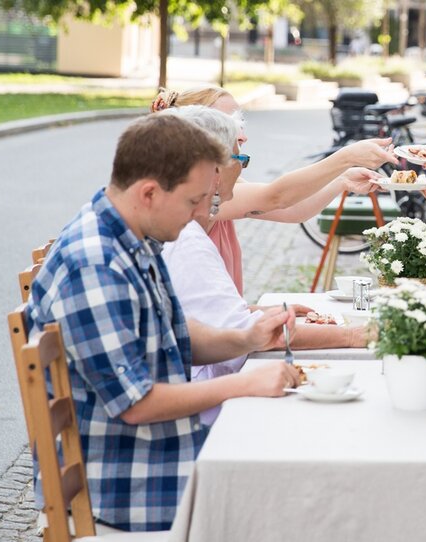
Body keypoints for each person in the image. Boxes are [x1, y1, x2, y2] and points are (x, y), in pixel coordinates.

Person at [25, 113, 301, 531]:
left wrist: (245, 338)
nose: (198, 216)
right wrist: (244, 383)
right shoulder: (95, 264)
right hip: (131, 488)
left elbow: (172, 336)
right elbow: (136, 405)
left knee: (294, 468)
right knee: (296, 500)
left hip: (157, 459)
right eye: (193, 201)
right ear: (150, 192)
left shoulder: (134, 237)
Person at [159, 106, 372, 425]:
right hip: (201, 418)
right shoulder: (185, 238)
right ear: (212, 169)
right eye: (240, 156)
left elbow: (197, 321)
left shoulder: (179, 227)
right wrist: (355, 336)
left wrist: (257, 316)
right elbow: (279, 198)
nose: (244, 162)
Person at [152, 86, 396, 294]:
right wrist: (346, 157)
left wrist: (342, 181)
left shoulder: (222, 187)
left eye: (241, 121)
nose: (243, 135)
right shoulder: (196, 195)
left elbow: (293, 211)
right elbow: (276, 197)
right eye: (231, 122)